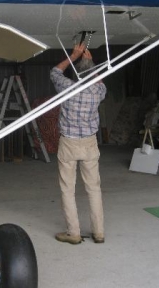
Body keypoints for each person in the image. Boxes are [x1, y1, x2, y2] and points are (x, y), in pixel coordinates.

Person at [50, 42, 107, 245]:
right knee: (94, 188)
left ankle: (73, 233)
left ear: (75, 73)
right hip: (90, 143)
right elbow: (99, 81)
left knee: (68, 189)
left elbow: (55, 72)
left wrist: (73, 57)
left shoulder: (67, 88)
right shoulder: (98, 92)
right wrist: (89, 62)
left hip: (69, 143)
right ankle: (98, 232)